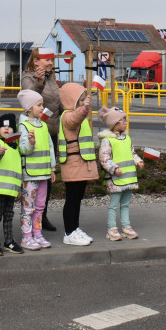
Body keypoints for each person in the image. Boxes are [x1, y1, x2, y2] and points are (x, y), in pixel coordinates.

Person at [19, 47, 61, 233]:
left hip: (51, 132)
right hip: (36, 132)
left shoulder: (51, 78)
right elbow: (30, 99)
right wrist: (40, 82)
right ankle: (31, 219)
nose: (50, 63)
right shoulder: (28, 77)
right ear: (36, 61)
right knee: (34, 179)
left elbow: (57, 103)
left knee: (47, 177)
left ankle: (42, 216)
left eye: (51, 60)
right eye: (47, 60)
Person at [58, 82, 98, 245]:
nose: (83, 103)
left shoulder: (75, 113)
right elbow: (75, 120)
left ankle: (75, 229)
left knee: (78, 198)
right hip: (73, 163)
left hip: (80, 162)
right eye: (80, 100)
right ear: (71, 101)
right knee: (72, 199)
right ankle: (69, 232)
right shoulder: (67, 115)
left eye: (84, 100)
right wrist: (84, 109)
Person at [97, 105, 144, 241]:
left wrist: (138, 161)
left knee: (125, 204)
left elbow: (132, 153)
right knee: (114, 204)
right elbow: (104, 158)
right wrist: (113, 168)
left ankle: (126, 226)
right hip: (115, 179)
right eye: (123, 120)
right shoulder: (108, 140)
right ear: (115, 124)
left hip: (128, 178)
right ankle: (112, 228)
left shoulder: (127, 139)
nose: (126, 122)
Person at [17, 89, 55, 250]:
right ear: (29, 108)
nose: (42, 108)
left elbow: (50, 148)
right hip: (30, 174)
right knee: (28, 207)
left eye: (42, 104)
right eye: (39, 105)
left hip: (44, 173)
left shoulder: (44, 126)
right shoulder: (24, 126)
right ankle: (26, 237)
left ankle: (37, 233)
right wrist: (31, 143)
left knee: (40, 206)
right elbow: (23, 149)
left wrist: (52, 168)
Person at [0, 113, 25, 256]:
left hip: (11, 188)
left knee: (9, 215)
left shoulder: (16, 147)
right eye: (3, 127)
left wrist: (19, 188)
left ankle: (9, 241)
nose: (6, 129)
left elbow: (18, 168)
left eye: (9, 127)